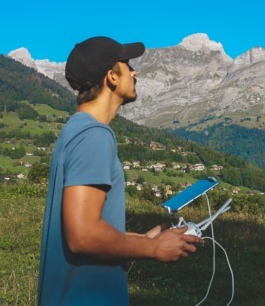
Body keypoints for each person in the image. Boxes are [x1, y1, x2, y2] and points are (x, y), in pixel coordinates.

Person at [37, 36, 201, 305]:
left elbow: (89, 228)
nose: (134, 72)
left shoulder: (75, 129)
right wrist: (153, 248)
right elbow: (83, 235)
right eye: (127, 65)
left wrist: (144, 237)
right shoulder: (95, 135)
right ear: (112, 77)